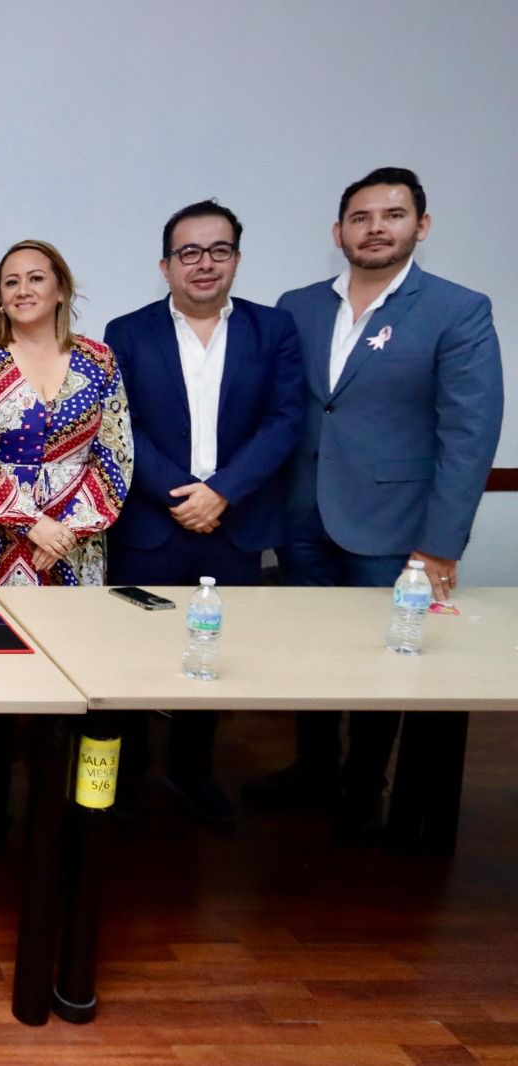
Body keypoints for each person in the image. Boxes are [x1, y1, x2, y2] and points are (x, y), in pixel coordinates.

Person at [247, 167, 503, 839]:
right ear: (338, 233)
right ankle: (313, 767)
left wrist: (441, 542)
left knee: (386, 658)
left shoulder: (456, 309)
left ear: (422, 225)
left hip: (394, 527)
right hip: (305, 514)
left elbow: (470, 434)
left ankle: (365, 781)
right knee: (310, 652)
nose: (376, 228)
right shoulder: (297, 306)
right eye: (361, 217)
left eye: (392, 215)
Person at [104, 203, 302, 823]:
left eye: (218, 250)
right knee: (132, 654)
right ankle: (127, 772)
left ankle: (191, 772)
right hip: (151, 525)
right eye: (189, 252)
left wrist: (225, 492)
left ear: (237, 259)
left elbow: (285, 420)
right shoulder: (127, 332)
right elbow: (122, 426)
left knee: (209, 657)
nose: (204, 263)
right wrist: (182, 496)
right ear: (165, 265)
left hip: (235, 525)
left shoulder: (275, 330)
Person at [0, 239, 132, 844]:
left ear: (61, 288)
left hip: (76, 548)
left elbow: (117, 452)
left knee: (67, 682)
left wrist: (69, 527)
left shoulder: (101, 362)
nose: (23, 290)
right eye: (10, 282)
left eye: (35, 278)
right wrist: (30, 522)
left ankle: (58, 822)